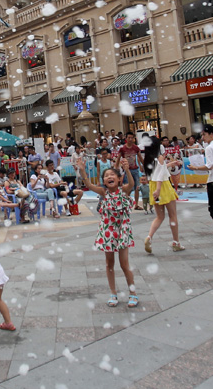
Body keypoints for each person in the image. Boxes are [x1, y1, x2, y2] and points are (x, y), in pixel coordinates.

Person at [75, 156, 138, 308]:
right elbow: (89, 185)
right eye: (106, 176)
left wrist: (127, 170)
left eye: (112, 175)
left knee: (124, 265)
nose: (109, 177)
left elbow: (132, 184)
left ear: (118, 178)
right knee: (109, 264)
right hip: (108, 231)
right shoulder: (104, 193)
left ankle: (133, 293)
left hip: (122, 231)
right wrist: (82, 171)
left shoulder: (124, 191)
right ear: (104, 181)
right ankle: (113, 293)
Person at [142, 135, 184, 253]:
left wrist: (170, 164)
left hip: (153, 186)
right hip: (163, 186)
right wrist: (159, 189)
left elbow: (159, 170)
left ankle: (149, 237)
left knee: (159, 217)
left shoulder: (148, 159)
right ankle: (176, 242)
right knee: (172, 215)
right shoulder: (159, 157)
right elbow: (160, 174)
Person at [118, 132, 144, 210]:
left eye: (131, 138)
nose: (130, 139)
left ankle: (136, 204)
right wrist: (116, 167)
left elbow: (140, 157)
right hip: (127, 170)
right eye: (128, 137)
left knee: (137, 187)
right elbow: (118, 158)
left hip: (135, 169)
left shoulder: (136, 148)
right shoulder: (122, 149)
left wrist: (144, 166)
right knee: (128, 188)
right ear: (126, 138)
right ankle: (125, 202)